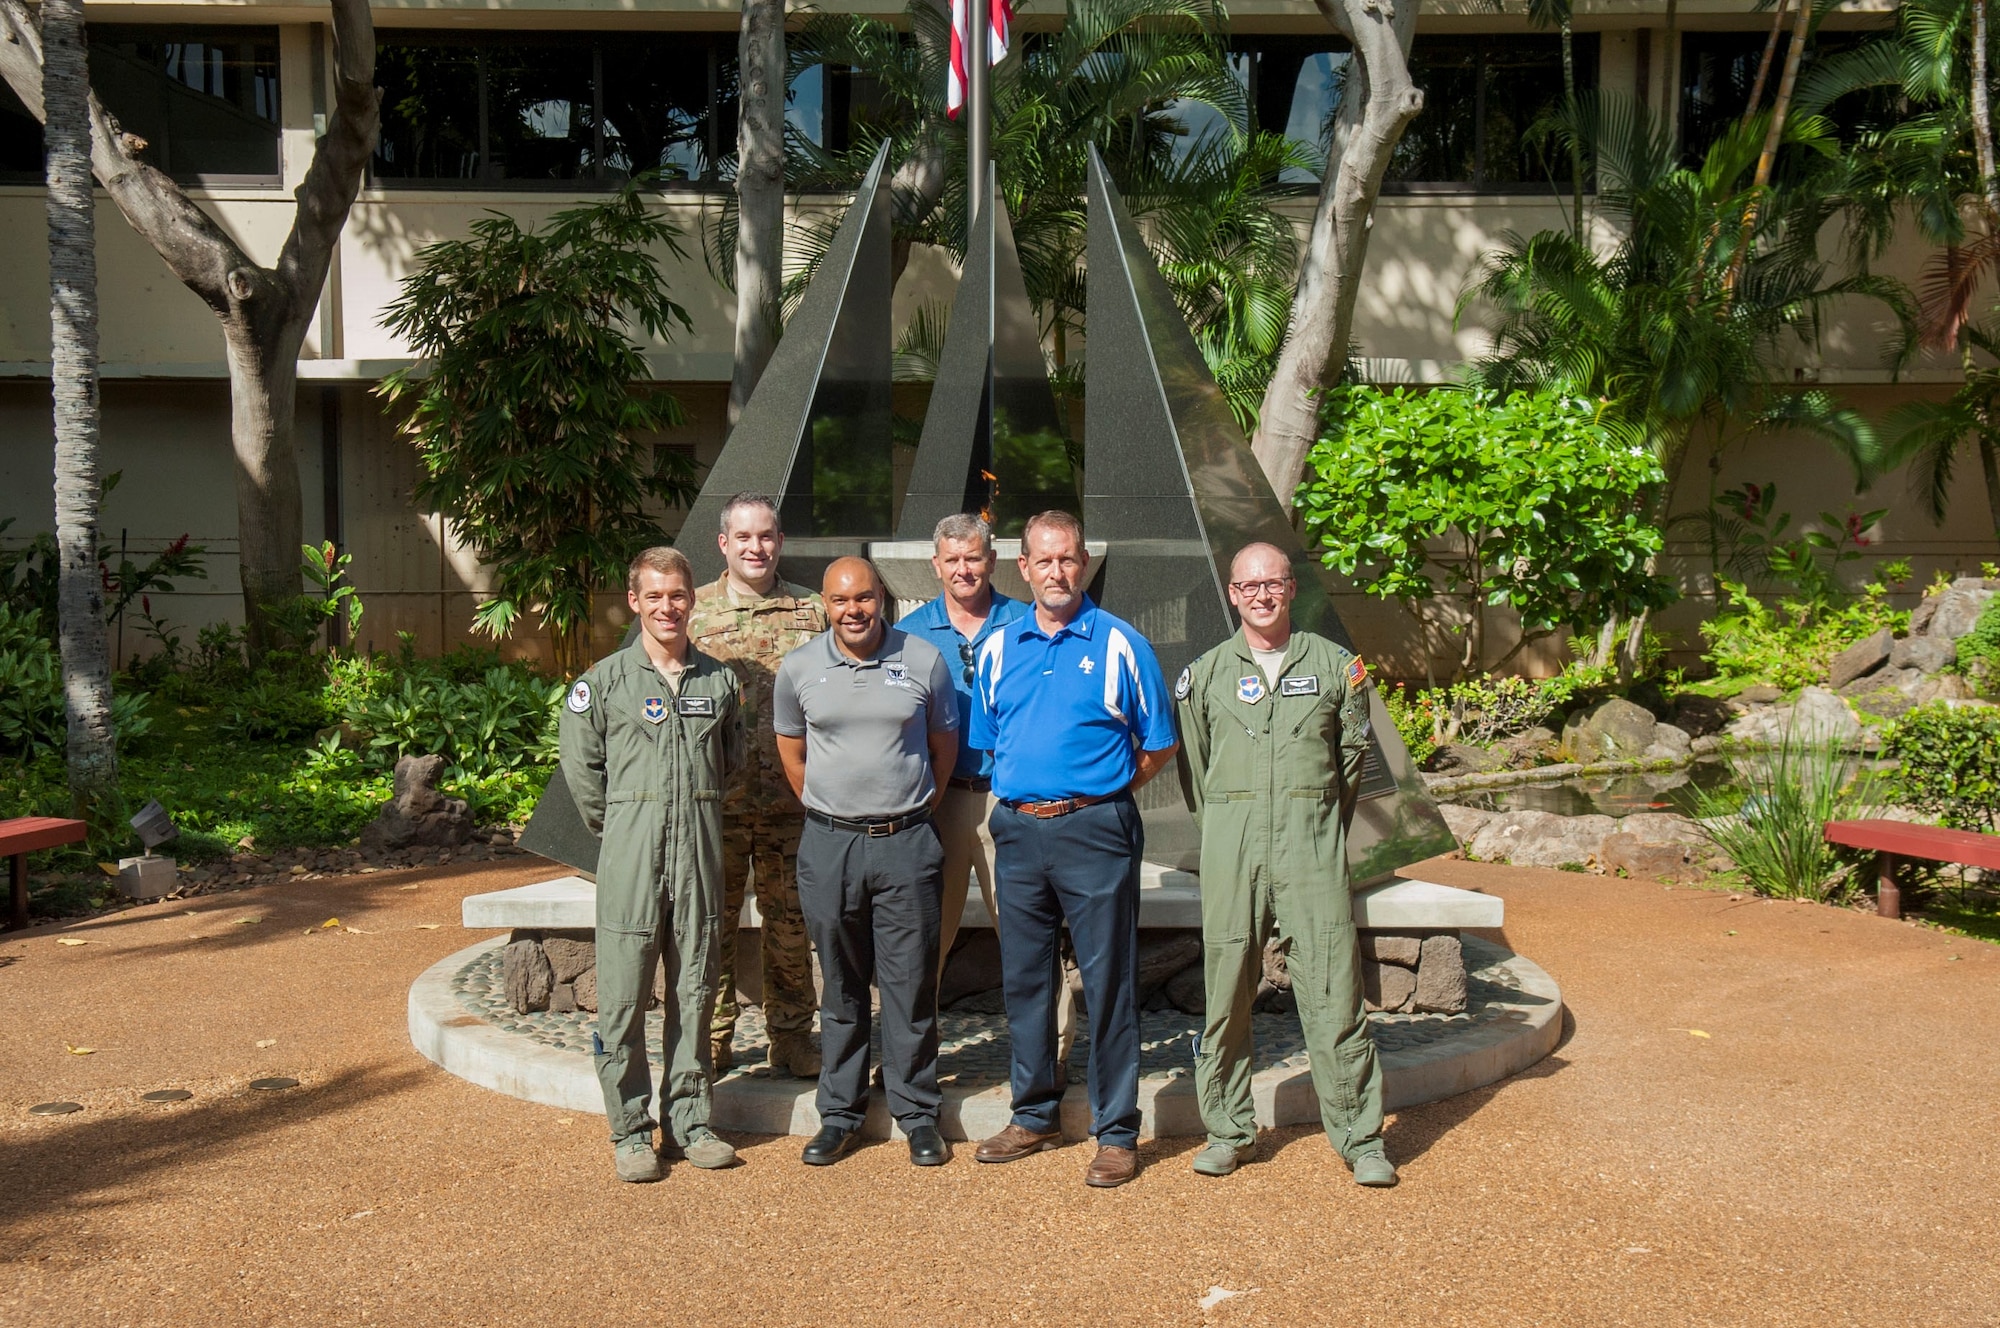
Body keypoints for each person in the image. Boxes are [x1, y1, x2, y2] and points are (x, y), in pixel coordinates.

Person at [1173, 542, 1397, 1187]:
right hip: (1233, 845)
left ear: (1291, 589)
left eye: (1273, 583)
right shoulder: (1205, 675)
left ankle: (1361, 1140)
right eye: (1249, 586)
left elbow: (1350, 765)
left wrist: (1314, 822)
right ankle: (1227, 1130)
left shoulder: (1336, 669)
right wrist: (1232, 827)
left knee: (1333, 989)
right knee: (1225, 991)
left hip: (1310, 844)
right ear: (1233, 593)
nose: (1262, 595)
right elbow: (1197, 771)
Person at [967, 510, 1179, 1189]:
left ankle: (1116, 1131)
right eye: (1043, 561)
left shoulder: (1121, 645)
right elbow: (990, 738)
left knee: (1108, 981)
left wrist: (1101, 793)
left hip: (1096, 830)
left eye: (1068, 560)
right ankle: (1032, 1115)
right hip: (1019, 832)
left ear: (1082, 564)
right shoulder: (998, 647)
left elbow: (1159, 744)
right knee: (1026, 979)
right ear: (1023, 568)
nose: (1056, 572)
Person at [560, 546, 746, 1183]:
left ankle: (692, 1121)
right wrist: (626, 829)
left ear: (692, 600)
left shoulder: (719, 682)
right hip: (631, 854)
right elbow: (583, 775)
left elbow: (732, 761)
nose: (668, 607)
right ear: (634, 602)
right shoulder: (603, 684)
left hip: (699, 848)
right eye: (655, 596)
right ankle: (632, 1129)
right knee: (623, 995)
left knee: (695, 987)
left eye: (679, 595)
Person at [773, 557, 959, 1167]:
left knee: (909, 984)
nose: (854, 611)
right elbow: (793, 753)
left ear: (882, 597)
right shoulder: (799, 668)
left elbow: (943, 746)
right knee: (842, 985)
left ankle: (916, 1113)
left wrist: (909, 809)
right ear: (825, 604)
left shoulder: (925, 660)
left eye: (864, 598)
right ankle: (840, 1113)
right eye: (840, 601)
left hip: (906, 841)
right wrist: (835, 813)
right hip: (831, 846)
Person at [898, 514, 1076, 1061]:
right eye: (952, 559)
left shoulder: (1027, 621)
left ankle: (1053, 1055)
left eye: (973, 558)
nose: (963, 569)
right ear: (936, 566)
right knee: (925, 938)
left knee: (1030, 934)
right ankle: (911, 1061)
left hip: (1010, 799)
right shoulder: (910, 633)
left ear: (992, 561)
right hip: (940, 801)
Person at [691, 492, 828, 1079]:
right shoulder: (690, 613)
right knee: (710, 927)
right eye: (744, 537)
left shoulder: (813, 612)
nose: (757, 547)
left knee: (791, 927)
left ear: (780, 540)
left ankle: (793, 1037)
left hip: (792, 804)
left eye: (767, 536)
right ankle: (712, 1039)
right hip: (714, 805)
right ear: (724, 544)